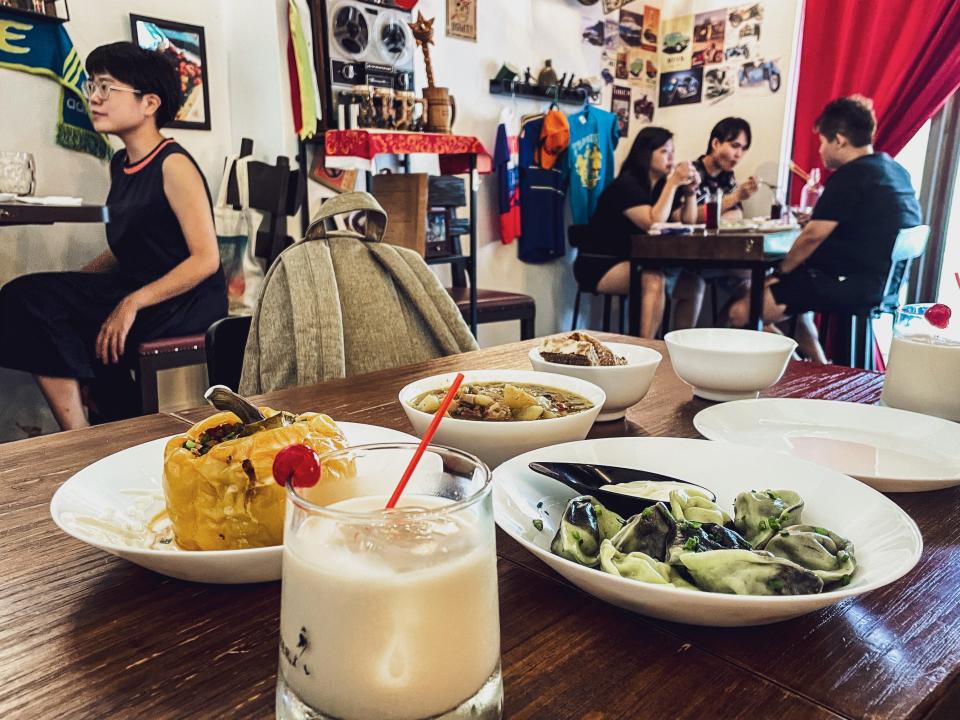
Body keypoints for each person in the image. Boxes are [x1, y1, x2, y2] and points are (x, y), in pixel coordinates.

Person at [0, 42, 227, 430]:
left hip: (183, 301)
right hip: (141, 290)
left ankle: (80, 437)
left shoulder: (173, 165)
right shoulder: (120, 163)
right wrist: (80, 279)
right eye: (92, 86)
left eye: (106, 87)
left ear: (149, 103)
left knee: (27, 300)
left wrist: (131, 302)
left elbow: (207, 259)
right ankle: (108, 426)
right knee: (31, 301)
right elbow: (133, 244)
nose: (94, 97)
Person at [728, 95, 921, 362]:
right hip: (879, 284)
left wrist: (780, 272)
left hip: (848, 284)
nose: (820, 150)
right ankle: (819, 367)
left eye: (822, 142)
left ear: (839, 140)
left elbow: (811, 237)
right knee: (799, 305)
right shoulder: (893, 169)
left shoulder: (852, 174)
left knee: (741, 312)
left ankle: (797, 370)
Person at [574, 126, 700, 338]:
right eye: (664, 151)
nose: (671, 157)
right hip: (600, 263)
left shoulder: (661, 188)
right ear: (645, 152)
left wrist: (690, 192)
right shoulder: (626, 185)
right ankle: (645, 350)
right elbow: (653, 222)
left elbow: (688, 220)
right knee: (653, 279)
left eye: (672, 152)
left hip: (636, 262)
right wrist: (673, 183)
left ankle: (680, 351)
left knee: (692, 284)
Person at [672, 117, 760, 329]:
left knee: (755, 284)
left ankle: (717, 336)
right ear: (716, 144)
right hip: (686, 255)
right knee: (752, 282)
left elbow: (736, 216)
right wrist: (735, 197)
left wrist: (718, 211)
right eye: (734, 146)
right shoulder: (690, 171)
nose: (738, 154)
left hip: (718, 255)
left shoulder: (727, 176)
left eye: (743, 149)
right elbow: (686, 217)